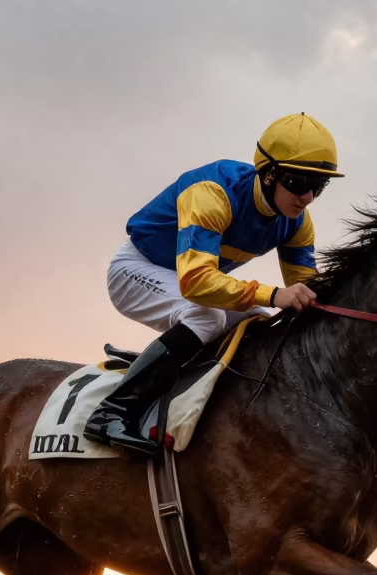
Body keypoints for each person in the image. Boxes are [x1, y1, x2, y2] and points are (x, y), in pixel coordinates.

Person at [83, 113, 344, 456]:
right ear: (268, 174)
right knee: (208, 318)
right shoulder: (213, 193)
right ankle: (113, 411)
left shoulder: (296, 222)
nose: (308, 197)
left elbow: (307, 291)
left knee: (259, 325)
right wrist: (274, 294)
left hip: (189, 279)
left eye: (319, 186)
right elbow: (196, 282)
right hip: (136, 268)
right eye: (298, 182)